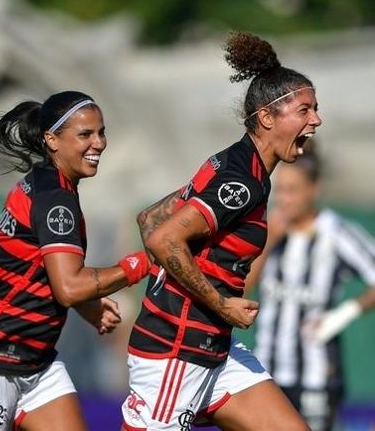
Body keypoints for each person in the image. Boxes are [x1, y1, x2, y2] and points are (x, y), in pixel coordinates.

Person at [121, 31, 321, 431]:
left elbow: (149, 219)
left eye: (315, 109)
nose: (316, 120)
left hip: (215, 351)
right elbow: (163, 237)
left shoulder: (234, 165)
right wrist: (222, 302)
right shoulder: (241, 181)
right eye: (304, 110)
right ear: (267, 117)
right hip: (175, 351)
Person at [0, 90, 151, 431]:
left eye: (101, 132)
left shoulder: (49, 185)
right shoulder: (55, 199)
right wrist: (143, 262)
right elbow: (67, 287)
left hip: (34, 361)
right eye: (85, 134)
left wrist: (88, 305)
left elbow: (39, 269)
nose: (99, 143)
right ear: (52, 139)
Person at [246, 143, 375, 431]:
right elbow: (241, 290)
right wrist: (267, 243)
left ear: (312, 190)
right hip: (265, 373)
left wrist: (344, 314)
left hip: (316, 376)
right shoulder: (265, 230)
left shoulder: (337, 233)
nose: (283, 199)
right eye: (279, 190)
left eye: (292, 191)